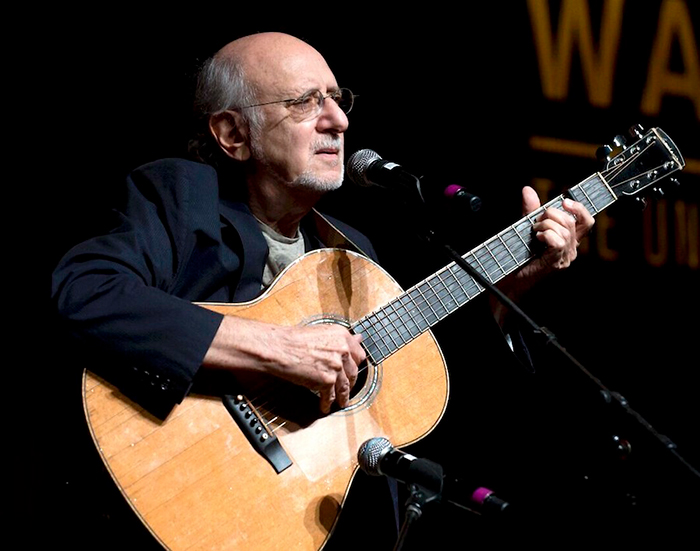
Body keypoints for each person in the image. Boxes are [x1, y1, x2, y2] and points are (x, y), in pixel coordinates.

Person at [51, 32, 594, 550]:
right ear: (233, 135)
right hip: (164, 483)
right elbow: (86, 292)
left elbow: (423, 384)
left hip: (303, 518)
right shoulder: (179, 194)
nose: (338, 120)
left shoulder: (349, 252)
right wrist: (279, 349)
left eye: (338, 99)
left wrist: (514, 285)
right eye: (305, 103)